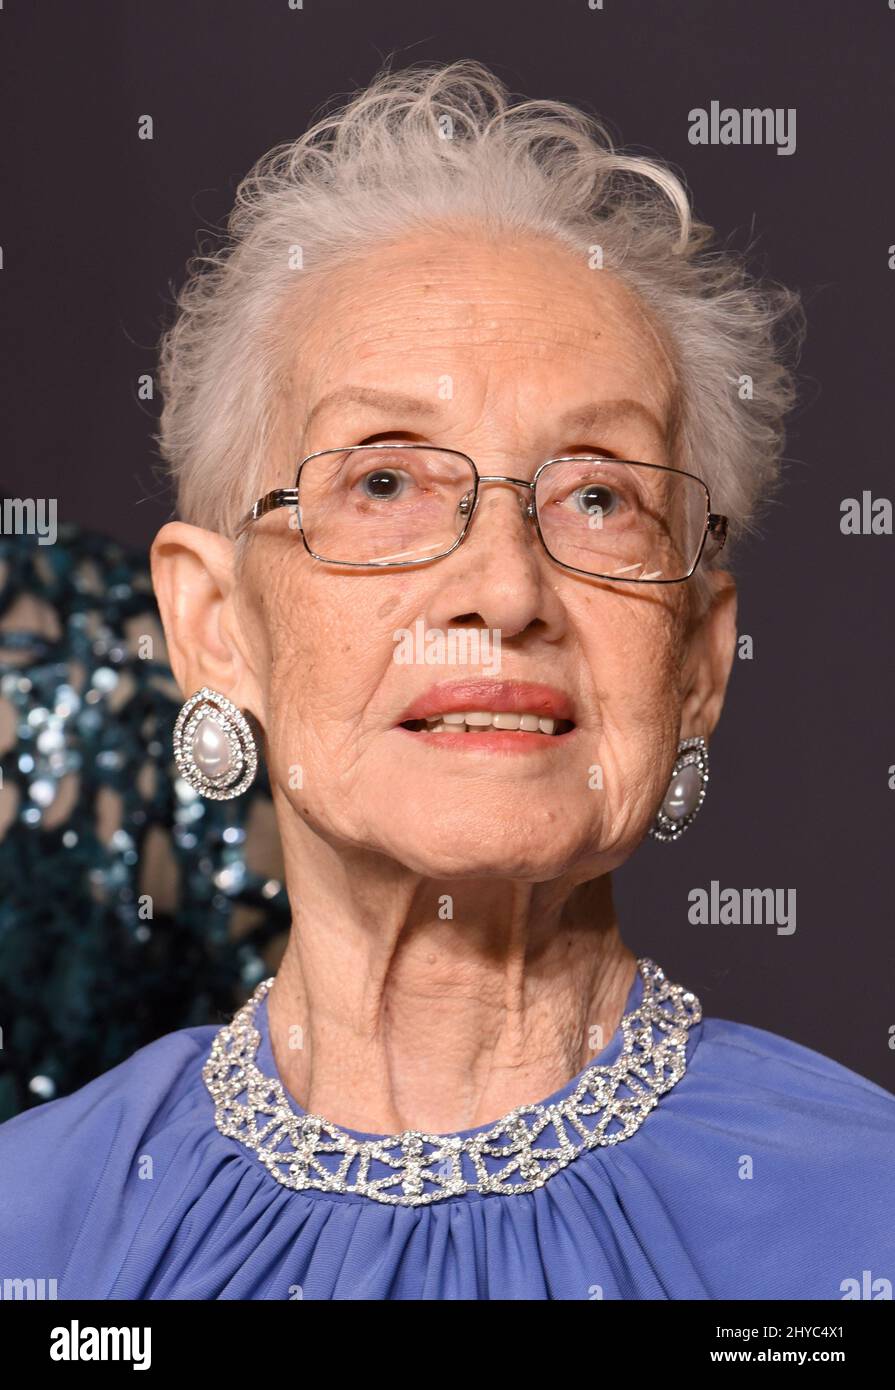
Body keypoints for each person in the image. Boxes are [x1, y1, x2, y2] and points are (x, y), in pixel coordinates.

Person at [0, 59, 892, 1301]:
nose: (506, 590)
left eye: (598, 496)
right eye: (383, 482)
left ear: (697, 659)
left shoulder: (866, 1212)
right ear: (216, 626)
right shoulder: (33, 1230)